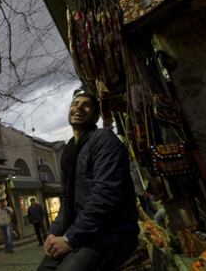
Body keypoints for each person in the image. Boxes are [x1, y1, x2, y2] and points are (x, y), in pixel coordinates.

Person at [37, 89, 139, 271]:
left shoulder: (104, 139)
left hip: (110, 235)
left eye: (86, 105)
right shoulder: (69, 149)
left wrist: (69, 239)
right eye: (75, 104)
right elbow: (67, 199)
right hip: (80, 234)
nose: (79, 108)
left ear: (96, 115)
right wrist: (54, 233)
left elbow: (106, 195)